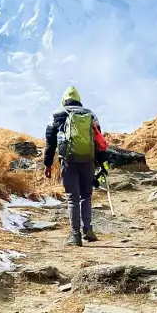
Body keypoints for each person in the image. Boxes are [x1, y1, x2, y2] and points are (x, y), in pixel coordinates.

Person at [43, 85, 107, 246]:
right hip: (88, 160)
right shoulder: (90, 114)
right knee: (86, 195)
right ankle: (88, 229)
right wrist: (102, 164)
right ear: (79, 100)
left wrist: (48, 164)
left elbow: (50, 142)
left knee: (73, 198)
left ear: (64, 100)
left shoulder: (57, 115)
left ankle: (75, 235)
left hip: (68, 162)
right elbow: (98, 140)